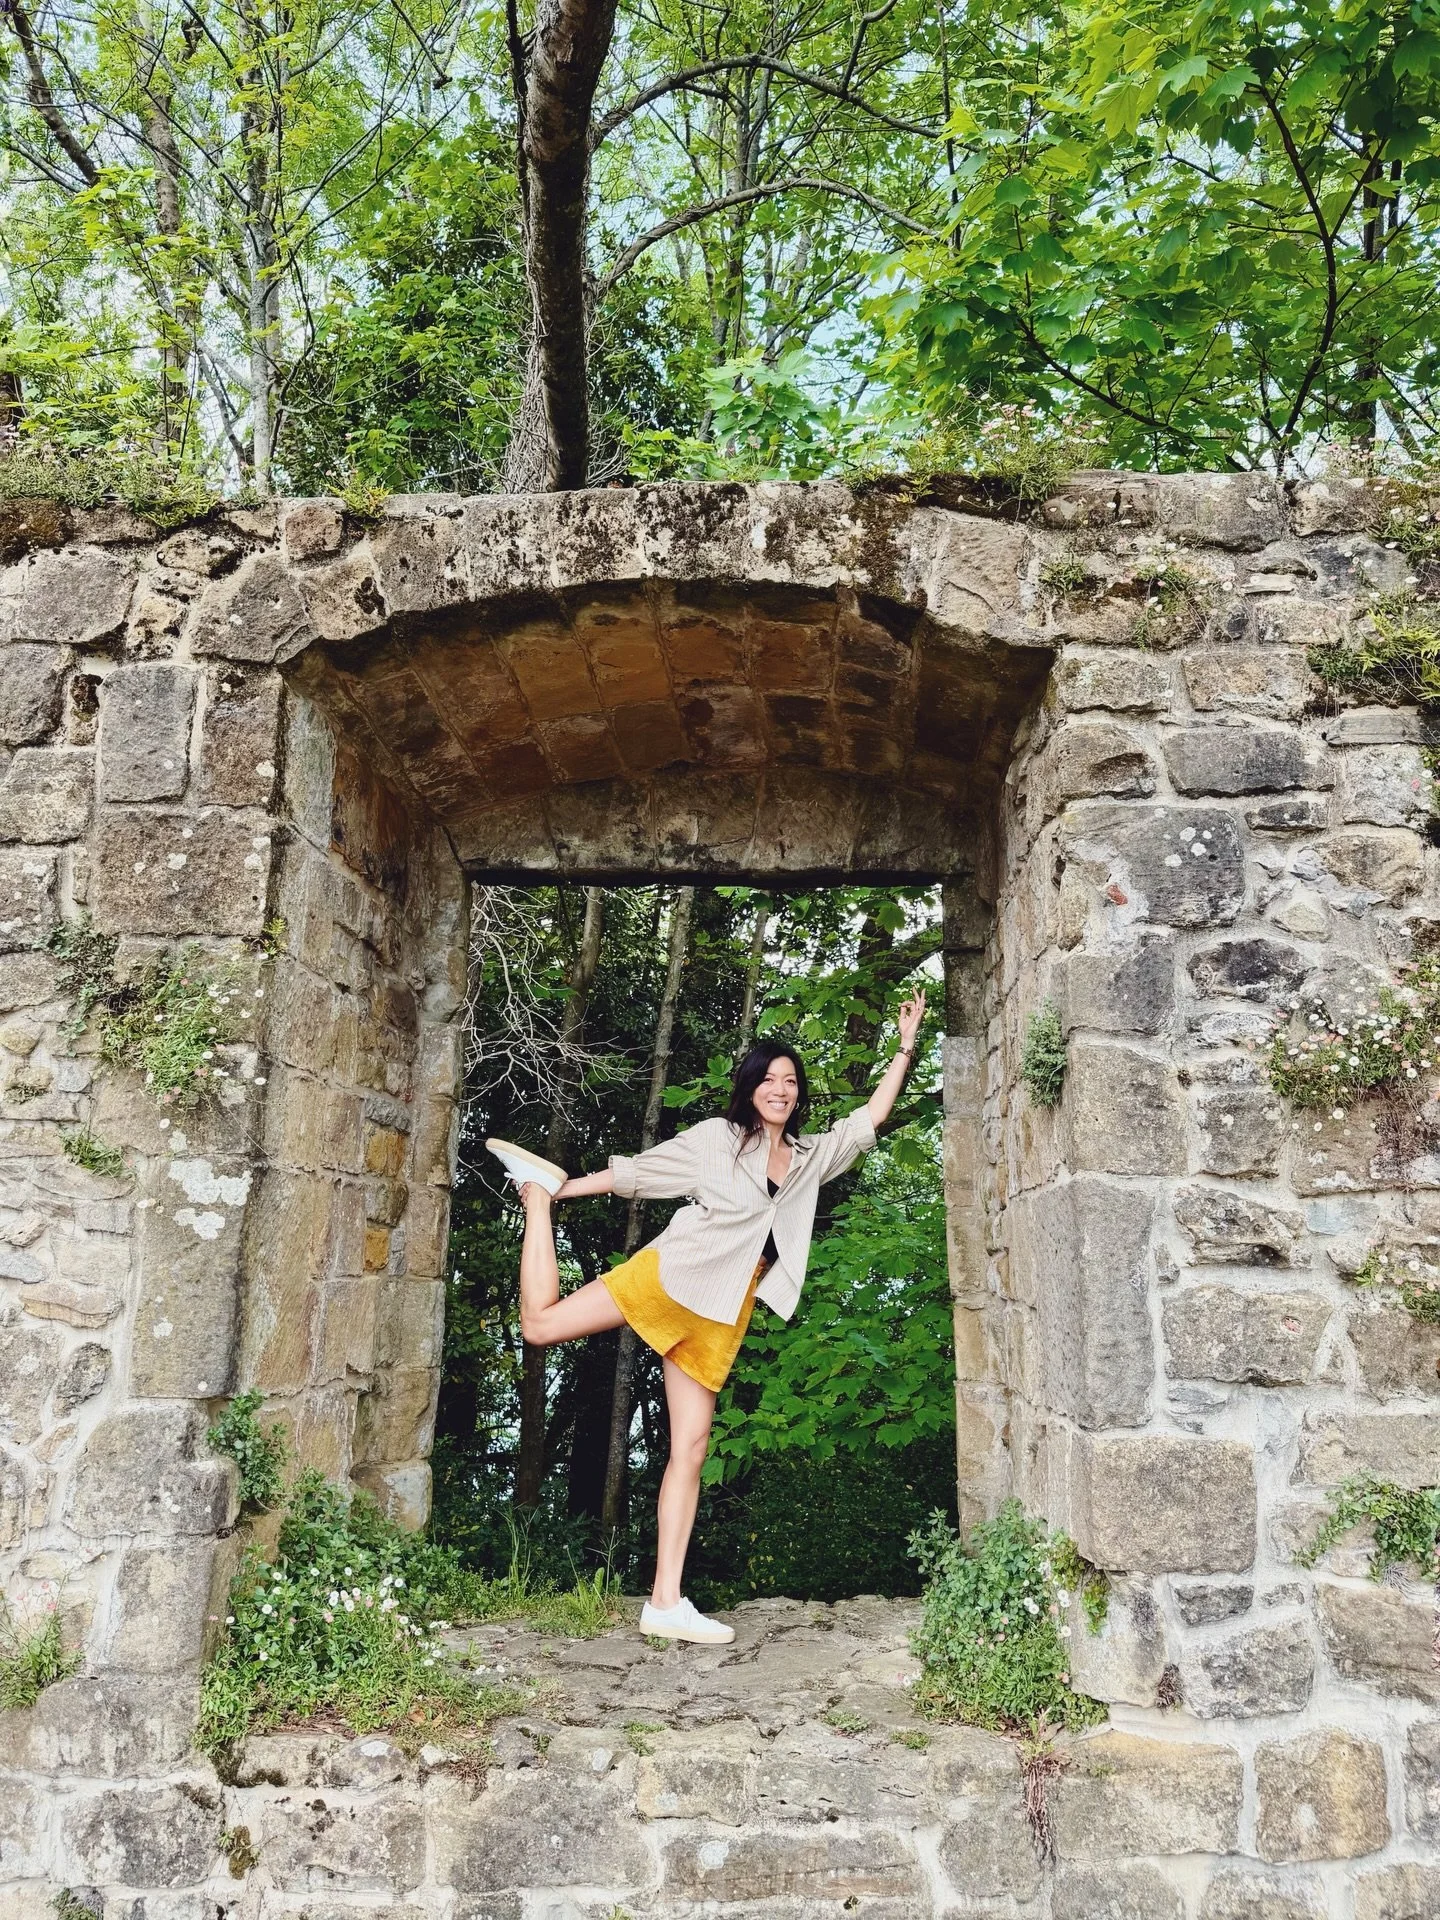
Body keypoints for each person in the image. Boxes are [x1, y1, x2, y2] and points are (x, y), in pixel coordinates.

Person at [487, 986, 927, 1645]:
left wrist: (905, 1047)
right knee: (540, 1327)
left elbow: (869, 1119)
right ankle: (536, 1203)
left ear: (798, 1095)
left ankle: (665, 1602)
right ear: (750, 1087)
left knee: (690, 1449)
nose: (780, 1088)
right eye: (769, 1078)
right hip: (671, 1278)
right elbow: (640, 1175)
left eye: (790, 1081)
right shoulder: (718, 1140)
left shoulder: (810, 1160)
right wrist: (559, 1190)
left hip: (721, 1312)